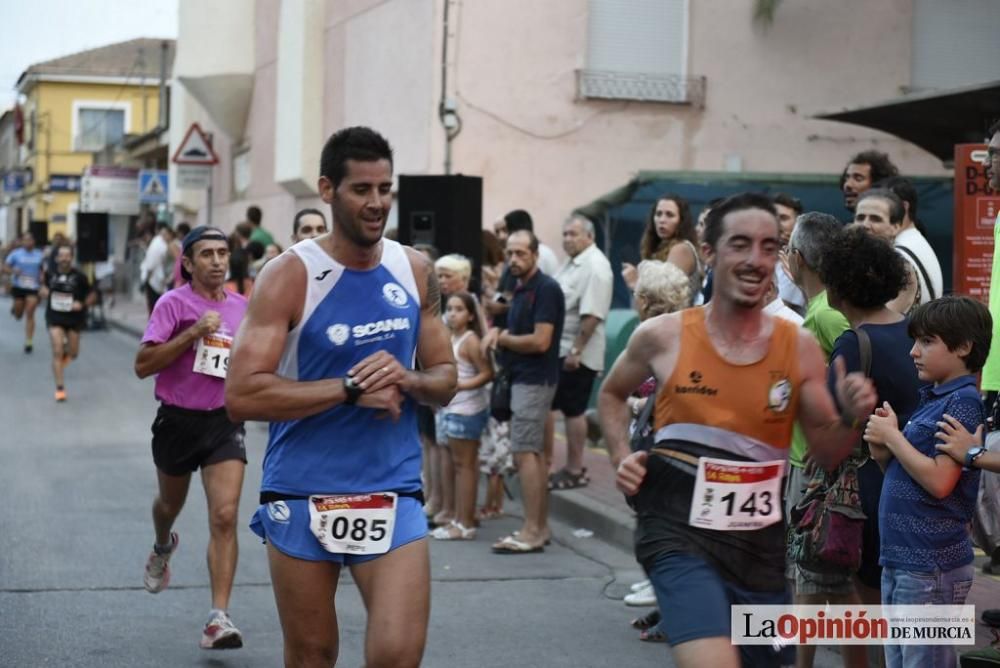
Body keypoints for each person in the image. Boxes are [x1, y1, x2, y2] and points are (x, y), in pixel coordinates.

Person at [598, 193, 878, 668]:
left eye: (770, 247)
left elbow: (827, 452)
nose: (756, 260)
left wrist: (852, 416)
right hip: (676, 530)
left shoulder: (800, 347)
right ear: (708, 253)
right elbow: (611, 394)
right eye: (741, 245)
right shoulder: (662, 336)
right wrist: (622, 454)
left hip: (758, 546)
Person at [225, 126, 456, 668]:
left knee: (398, 654)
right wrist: (349, 391)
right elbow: (241, 394)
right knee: (312, 655)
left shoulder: (415, 270)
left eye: (385, 188)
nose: (377, 203)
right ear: (327, 190)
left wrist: (406, 379)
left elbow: (446, 378)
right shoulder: (289, 275)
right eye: (362, 190)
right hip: (303, 488)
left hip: (391, 487)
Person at [795, 226, 920, 668]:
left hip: (864, 488)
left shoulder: (854, 342)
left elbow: (829, 420)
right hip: (909, 478)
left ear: (838, 286)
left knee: (864, 603)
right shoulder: (913, 332)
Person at [134, 226, 249, 650]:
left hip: (223, 421)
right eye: (207, 254)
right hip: (177, 421)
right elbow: (143, 364)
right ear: (188, 263)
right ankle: (163, 543)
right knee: (170, 505)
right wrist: (192, 333)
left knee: (224, 515)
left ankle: (218, 617)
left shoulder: (243, 307)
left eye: (223, 253)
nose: (218, 261)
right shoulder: (172, 304)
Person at [863, 296, 990, 668]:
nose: (914, 352)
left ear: (964, 347)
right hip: (905, 559)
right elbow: (916, 482)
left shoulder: (963, 403)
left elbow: (939, 483)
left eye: (927, 342)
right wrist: (884, 453)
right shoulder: (935, 398)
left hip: (930, 565)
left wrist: (894, 438)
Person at [484, 229, 565, 553]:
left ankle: (533, 530)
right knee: (528, 453)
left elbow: (541, 340)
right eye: (509, 254)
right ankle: (537, 528)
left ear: (535, 254)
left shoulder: (546, 289)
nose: (513, 260)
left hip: (534, 379)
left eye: (520, 254)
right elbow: (503, 314)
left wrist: (500, 338)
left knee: (525, 453)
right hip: (519, 378)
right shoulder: (518, 287)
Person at [548, 215, 614, 490]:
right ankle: (560, 466)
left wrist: (576, 351)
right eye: (565, 234)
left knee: (574, 410)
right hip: (561, 348)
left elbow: (592, 315)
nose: (567, 239)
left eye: (573, 234)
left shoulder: (595, 266)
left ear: (590, 236)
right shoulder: (571, 263)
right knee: (559, 408)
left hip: (578, 353)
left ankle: (575, 468)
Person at [431, 291, 493, 540]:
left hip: (466, 410)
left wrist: (461, 386)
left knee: (465, 467)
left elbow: (487, 373)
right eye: (450, 309)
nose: (452, 314)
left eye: (459, 309)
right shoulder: (450, 337)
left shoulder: (470, 341)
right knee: (457, 466)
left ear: (470, 315)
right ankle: (456, 517)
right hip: (449, 409)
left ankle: (465, 522)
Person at [39, 244, 95, 401]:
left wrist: (82, 304)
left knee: (73, 353)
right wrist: (42, 292)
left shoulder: (80, 277)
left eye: (67, 255)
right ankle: (60, 389)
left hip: (74, 320)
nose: (64, 258)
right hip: (54, 318)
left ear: (71, 257)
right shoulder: (50, 274)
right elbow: (42, 288)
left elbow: (92, 295)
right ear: (56, 258)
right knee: (57, 351)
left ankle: (60, 362)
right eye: (61, 255)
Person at [853, 188, 922, 315]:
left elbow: (880, 322)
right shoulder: (858, 262)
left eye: (875, 219)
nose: (865, 225)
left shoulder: (901, 268)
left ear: (895, 227)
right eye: (860, 217)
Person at [622, 194, 702, 299]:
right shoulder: (656, 248)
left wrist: (636, 283)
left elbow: (666, 299)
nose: (662, 220)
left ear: (681, 221)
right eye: (658, 214)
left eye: (670, 215)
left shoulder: (681, 249)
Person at [879, 176, 943, 306]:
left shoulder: (901, 251)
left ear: (904, 206)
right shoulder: (915, 241)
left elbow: (891, 313)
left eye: (885, 203)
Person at [3, 231, 45, 352]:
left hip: (33, 287)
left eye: (30, 240)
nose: (28, 242)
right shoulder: (15, 254)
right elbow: (5, 267)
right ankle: (16, 310)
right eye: (25, 240)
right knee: (18, 315)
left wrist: (42, 277)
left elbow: (43, 269)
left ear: (34, 242)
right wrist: (12, 271)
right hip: (19, 287)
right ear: (22, 242)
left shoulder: (39, 254)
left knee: (30, 312)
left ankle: (29, 342)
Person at [140, 222, 177, 314]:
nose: (163, 236)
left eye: (165, 234)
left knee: (156, 307)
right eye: (162, 234)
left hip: (158, 280)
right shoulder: (161, 243)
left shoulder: (163, 244)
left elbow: (178, 261)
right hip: (159, 279)